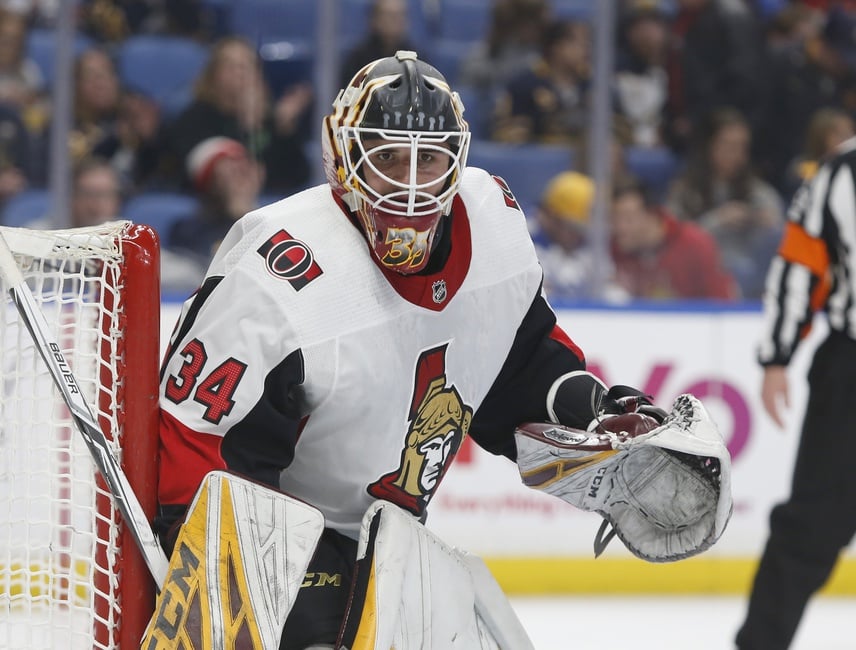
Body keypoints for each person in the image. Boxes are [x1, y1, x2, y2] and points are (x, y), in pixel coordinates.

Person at [150, 51, 730, 648]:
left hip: (392, 543)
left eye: (428, 159)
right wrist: (253, 604)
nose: (409, 183)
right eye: (388, 157)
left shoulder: (492, 219)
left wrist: (596, 411)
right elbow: (197, 465)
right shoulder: (276, 278)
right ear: (343, 160)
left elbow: (521, 362)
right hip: (280, 544)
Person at [735, 133, 856, 650]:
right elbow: (800, 261)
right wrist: (778, 356)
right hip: (851, 368)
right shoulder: (843, 170)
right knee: (810, 524)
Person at [167, 36, 312, 196]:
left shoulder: (271, 121)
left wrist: (284, 128)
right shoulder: (195, 118)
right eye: (232, 66)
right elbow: (202, 174)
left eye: (248, 65)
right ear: (213, 74)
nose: (241, 72)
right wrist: (247, 128)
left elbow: (297, 178)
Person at [665, 107, 785, 299]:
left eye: (741, 147)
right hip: (698, 284)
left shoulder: (759, 192)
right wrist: (718, 220)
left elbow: (780, 235)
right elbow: (671, 243)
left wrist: (765, 223)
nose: (735, 154)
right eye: (728, 146)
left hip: (753, 285)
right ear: (709, 146)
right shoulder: (684, 191)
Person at [610, 173, 738, 300]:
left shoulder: (695, 244)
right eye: (613, 218)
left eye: (628, 218)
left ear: (652, 215)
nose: (619, 228)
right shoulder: (612, 247)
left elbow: (723, 305)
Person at [168, 135, 264, 268]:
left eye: (245, 170)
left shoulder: (274, 221)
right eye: (232, 172)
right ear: (212, 185)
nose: (243, 180)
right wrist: (237, 214)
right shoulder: (189, 230)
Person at [531, 170, 627, 302]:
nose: (578, 235)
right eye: (573, 227)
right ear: (552, 216)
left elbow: (610, 288)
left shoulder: (587, 244)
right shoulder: (523, 242)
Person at [338, 0, 417, 89]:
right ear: (375, 19)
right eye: (389, 15)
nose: (396, 20)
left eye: (401, 15)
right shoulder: (357, 60)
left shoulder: (416, 59)